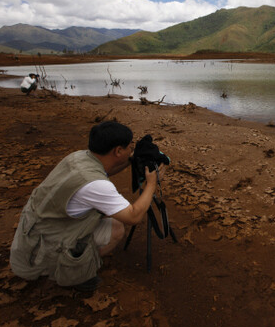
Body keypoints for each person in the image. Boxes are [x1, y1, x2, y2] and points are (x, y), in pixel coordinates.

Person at [10, 121, 165, 291]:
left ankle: (68, 261)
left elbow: (106, 170)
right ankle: (74, 272)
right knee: (117, 228)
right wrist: (151, 184)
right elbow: (134, 216)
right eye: (129, 147)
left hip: (32, 235)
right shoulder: (96, 185)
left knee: (104, 214)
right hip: (36, 257)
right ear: (118, 151)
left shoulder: (79, 157)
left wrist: (130, 161)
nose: (131, 150)